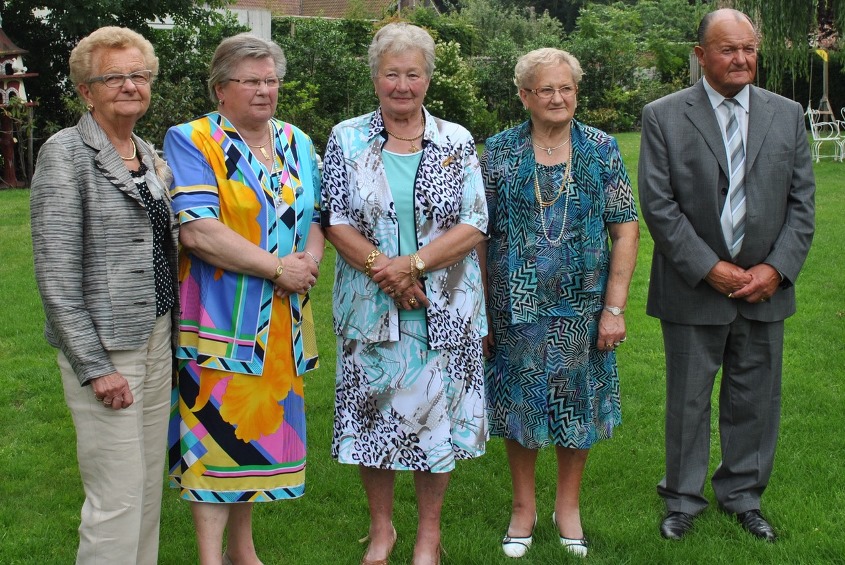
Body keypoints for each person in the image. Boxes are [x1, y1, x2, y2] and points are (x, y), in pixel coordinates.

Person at [638, 8, 815, 543]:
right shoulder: (664, 115)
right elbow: (659, 203)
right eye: (727, 49)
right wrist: (708, 267)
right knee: (688, 399)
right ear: (701, 55)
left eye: (749, 49)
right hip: (694, 288)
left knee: (755, 398)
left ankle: (743, 495)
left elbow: (803, 204)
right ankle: (682, 499)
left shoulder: (787, 114)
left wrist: (776, 269)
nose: (741, 59)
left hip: (765, 289)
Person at [321, 22, 488, 565]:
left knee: (436, 425)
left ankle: (428, 539)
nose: (402, 85)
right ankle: (381, 531)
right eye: (391, 73)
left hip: (447, 309)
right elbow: (335, 219)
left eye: (412, 73)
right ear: (375, 78)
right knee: (374, 422)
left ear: (427, 79)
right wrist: (385, 271)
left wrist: (412, 265)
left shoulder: (456, 141)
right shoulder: (346, 137)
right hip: (371, 311)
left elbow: (474, 222)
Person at [164, 33, 323, 565]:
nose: (264, 91)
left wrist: (307, 265)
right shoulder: (193, 140)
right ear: (220, 88)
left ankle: (243, 551)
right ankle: (212, 558)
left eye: (271, 80)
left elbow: (317, 219)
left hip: (281, 324)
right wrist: (279, 267)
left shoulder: (297, 141)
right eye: (250, 81)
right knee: (215, 440)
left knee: (249, 444)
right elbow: (198, 230)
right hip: (220, 318)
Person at [479, 48, 639, 559]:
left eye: (566, 88)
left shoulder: (600, 147)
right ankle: (523, 508)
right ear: (524, 95)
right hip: (515, 307)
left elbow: (626, 228)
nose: (557, 97)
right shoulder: (499, 151)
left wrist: (614, 308)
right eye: (545, 89)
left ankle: (567, 507)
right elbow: (478, 234)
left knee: (579, 406)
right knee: (521, 405)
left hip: (583, 305)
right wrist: (480, 305)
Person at [30, 26, 177, 564]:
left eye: (139, 75)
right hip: (107, 348)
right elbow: (56, 273)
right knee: (115, 495)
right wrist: (94, 366)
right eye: (113, 76)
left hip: (157, 336)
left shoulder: (143, 150)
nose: (130, 85)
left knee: (145, 489)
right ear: (86, 91)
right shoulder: (65, 153)